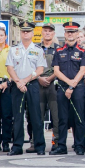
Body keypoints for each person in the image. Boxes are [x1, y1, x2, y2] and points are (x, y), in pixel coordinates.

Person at [6, 22, 47, 156]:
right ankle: (17, 147)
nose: (25, 33)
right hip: (17, 85)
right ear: (20, 33)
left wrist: (25, 80)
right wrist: (18, 81)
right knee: (17, 117)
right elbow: (10, 67)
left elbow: (40, 69)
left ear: (32, 33)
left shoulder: (38, 50)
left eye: (28, 31)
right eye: (23, 31)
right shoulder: (13, 49)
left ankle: (39, 146)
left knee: (35, 116)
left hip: (32, 85)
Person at [51, 22, 85, 155]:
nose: (70, 34)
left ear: (77, 33)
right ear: (65, 34)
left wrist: (72, 86)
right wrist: (68, 84)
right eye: (68, 32)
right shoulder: (59, 51)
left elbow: (83, 70)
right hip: (62, 87)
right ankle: (61, 146)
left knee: (79, 117)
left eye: (73, 32)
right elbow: (56, 71)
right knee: (62, 118)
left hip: (77, 88)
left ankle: (79, 145)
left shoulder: (83, 51)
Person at [38, 22, 59, 153]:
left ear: (53, 33)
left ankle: (56, 142)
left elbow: (59, 68)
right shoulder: (36, 48)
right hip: (38, 83)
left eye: (50, 31)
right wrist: (39, 78)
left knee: (56, 116)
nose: (47, 33)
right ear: (42, 32)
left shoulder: (58, 48)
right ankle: (38, 143)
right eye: (45, 30)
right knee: (37, 115)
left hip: (53, 84)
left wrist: (50, 78)